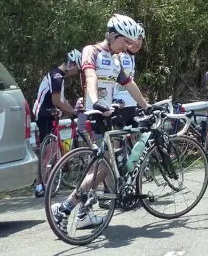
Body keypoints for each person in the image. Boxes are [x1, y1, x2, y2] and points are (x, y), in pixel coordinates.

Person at [50, 14, 150, 230]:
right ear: (112, 36)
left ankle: (84, 211)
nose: (126, 47)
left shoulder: (115, 59)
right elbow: (90, 76)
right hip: (93, 115)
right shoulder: (91, 51)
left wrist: (146, 105)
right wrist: (95, 102)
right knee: (103, 167)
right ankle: (67, 207)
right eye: (124, 41)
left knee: (100, 167)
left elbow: (129, 83)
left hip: (107, 116)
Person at [32, 49, 83, 198]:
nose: (76, 73)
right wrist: (72, 113)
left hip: (49, 113)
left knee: (51, 148)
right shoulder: (56, 77)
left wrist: (72, 110)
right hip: (44, 114)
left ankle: (47, 181)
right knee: (47, 151)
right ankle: (40, 185)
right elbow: (56, 102)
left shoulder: (59, 76)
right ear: (71, 64)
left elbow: (61, 99)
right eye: (77, 69)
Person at [113, 23, 145, 129]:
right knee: (118, 138)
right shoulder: (118, 55)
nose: (137, 42)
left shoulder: (132, 57)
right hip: (118, 105)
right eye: (134, 38)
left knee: (134, 136)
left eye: (140, 38)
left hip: (131, 104)